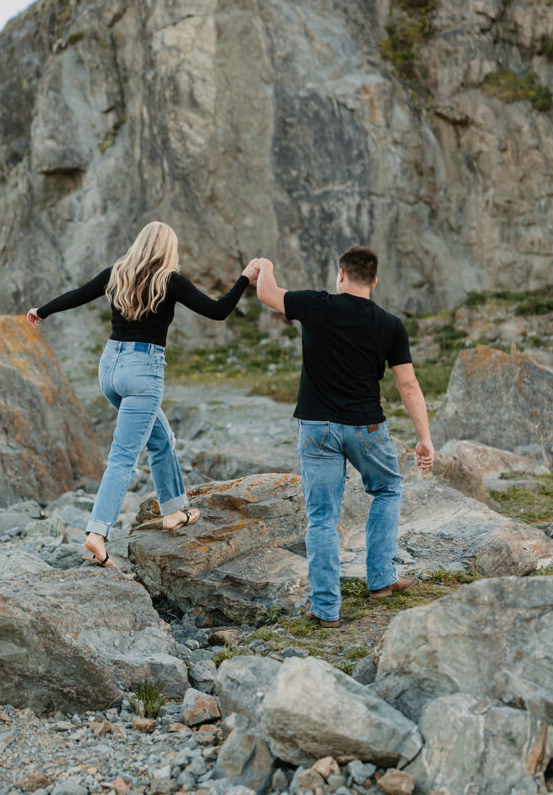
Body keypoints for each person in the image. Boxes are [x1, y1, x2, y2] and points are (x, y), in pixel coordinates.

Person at [27, 221, 259, 568]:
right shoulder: (170, 280)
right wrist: (244, 278)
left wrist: (41, 311)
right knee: (123, 457)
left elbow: (77, 294)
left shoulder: (116, 273)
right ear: (168, 249)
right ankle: (97, 532)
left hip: (110, 368)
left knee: (161, 438)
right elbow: (218, 310)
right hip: (142, 371)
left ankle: (173, 512)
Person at [254, 245, 435, 627]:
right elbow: (409, 386)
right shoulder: (390, 324)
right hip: (367, 428)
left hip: (317, 427)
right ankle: (381, 579)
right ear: (373, 281)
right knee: (386, 490)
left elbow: (267, 294)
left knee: (322, 517)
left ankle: (325, 609)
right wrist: (424, 438)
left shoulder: (316, 305)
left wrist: (265, 265)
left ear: (340, 275)